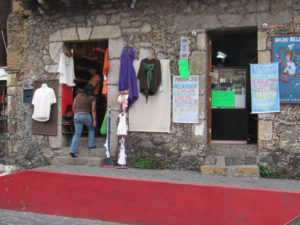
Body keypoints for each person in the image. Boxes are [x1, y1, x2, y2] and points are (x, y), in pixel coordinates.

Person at [69, 84, 96, 158]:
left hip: (77, 115)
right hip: (86, 115)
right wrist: (94, 120)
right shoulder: (92, 97)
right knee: (91, 129)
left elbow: (73, 106)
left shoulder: (78, 95)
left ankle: (72, 150)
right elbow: (93, 110)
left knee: (77, 133)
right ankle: (91, 144)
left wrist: (76, 114)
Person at [88, 67, 102, 136]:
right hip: (92, 96)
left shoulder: (97, 77)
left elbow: (92, 87)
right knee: (92, 114)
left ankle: (95, 132)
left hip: (94, 96)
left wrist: (84, 90)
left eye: (91, 70)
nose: (90, 71)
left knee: (93, 114)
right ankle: (93, 131)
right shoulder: (93, 77)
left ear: (95, 70)